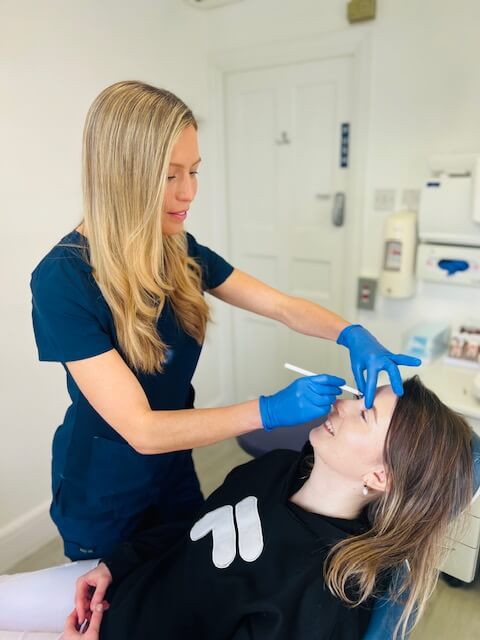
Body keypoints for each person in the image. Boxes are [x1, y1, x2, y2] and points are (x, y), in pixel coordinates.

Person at [30, 80, 421, 562]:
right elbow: (142, 428)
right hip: (106, 480)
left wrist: (350, 333)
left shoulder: (176, 247)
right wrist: (268, 411)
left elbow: (281, 306)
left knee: (180, 569)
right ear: (121, 175)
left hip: (173, 462)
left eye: (194, 171)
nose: (188, 192)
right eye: (170, 176)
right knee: (117, 601)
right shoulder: (63, 279)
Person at [0, 377, 473, 640]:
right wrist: (114, 565)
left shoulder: (326, 594)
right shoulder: (276, 468)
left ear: (380, 477)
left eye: (364, 412)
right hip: (119, 590)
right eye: (358, 397)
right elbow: (193, 533)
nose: (344, 405)